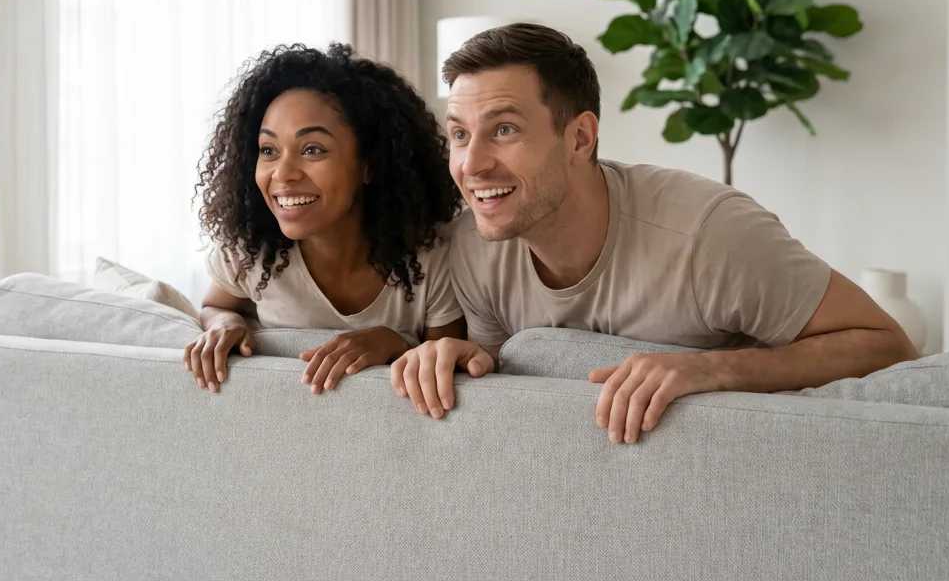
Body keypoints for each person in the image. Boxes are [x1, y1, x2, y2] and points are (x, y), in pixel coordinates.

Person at [389, 23, 919, 443]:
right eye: (459, 133)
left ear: (579, 138)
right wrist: (460, 357)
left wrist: (710, 371)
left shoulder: (709, 236)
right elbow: (511, 401)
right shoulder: (473, 247)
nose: (472, 164)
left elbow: (887, 345)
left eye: (504, 130)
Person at [185, 43, 465, 394]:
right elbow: (213, 306)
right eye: (268, 150)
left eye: (312, 149)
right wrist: (225, 321)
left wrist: (394, 342)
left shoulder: (434, 258)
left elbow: (450, 368)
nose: (283, 174)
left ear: (370, 164)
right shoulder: (250, 251)